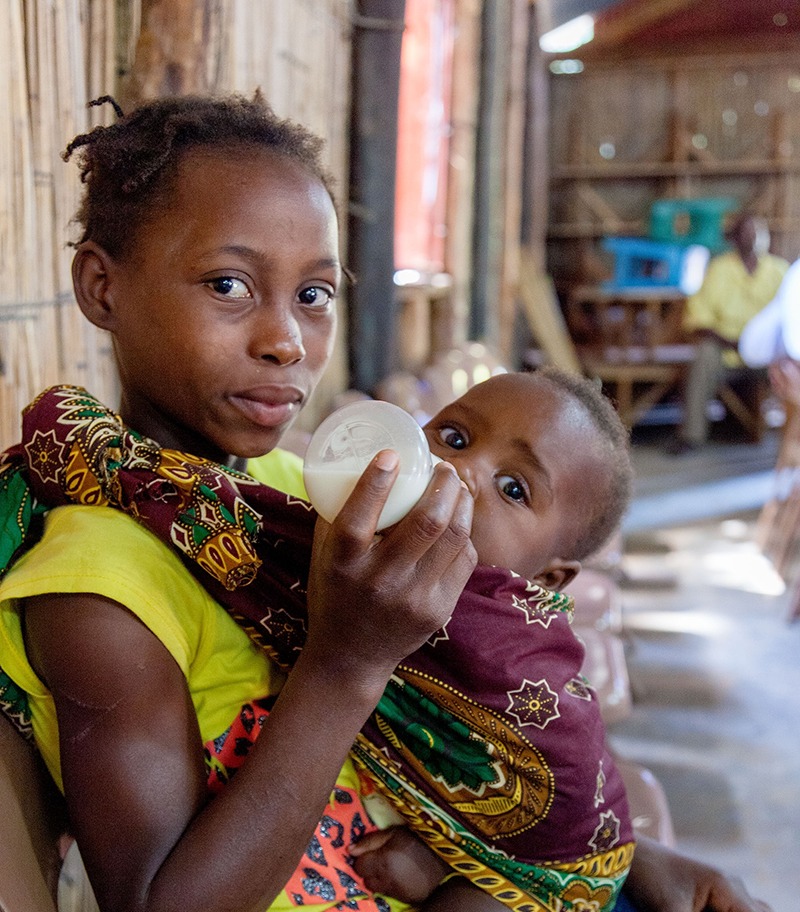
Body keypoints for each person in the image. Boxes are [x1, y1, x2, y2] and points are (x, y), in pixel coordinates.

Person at [0, 92, 771, 912]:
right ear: (101, 288)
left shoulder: (292, 494)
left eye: (315, 295)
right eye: (229, 285)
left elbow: (449, 726)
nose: (287, 341)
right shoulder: (100, 586)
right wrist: (347, 662)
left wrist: (617, 858)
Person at [667, 213, 788, 454]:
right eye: (745, 233)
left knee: (793, 362)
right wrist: (733, 342)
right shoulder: (719, 269)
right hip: (727, 351)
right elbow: (698, 318)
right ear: (734, 239)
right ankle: (691, 436)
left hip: (768, 355)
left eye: (756, 232)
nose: (752, 238)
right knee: (703, 356)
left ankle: (790, 435)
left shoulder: (779, 271)